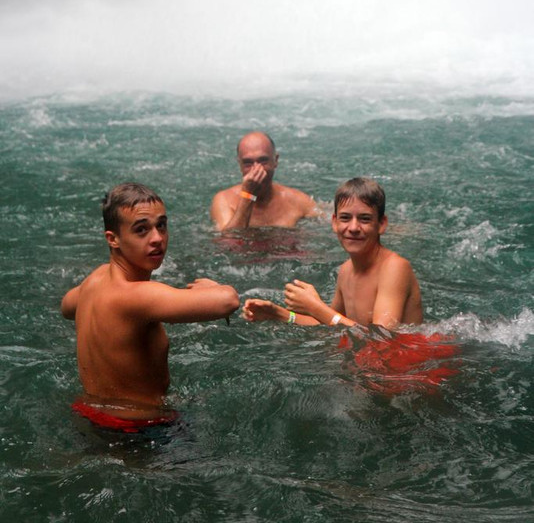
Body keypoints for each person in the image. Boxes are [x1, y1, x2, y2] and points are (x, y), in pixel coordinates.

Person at [61, 182, 240, 430]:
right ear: (113, 239)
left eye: (162, 225)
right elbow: (228, 300)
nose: (157, 238)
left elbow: (66, 307)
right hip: (140, 430)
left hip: (89, 416)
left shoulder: (94, 281)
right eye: (141, 230)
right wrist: (210, 289)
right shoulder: (136, 296)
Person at [243, 177, 422, 329]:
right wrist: (279, 314)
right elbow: (328, 323)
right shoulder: (346, 270)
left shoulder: (394, 268)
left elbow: (381, 343)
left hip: (409, 368)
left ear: (381, 224)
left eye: (365, 219)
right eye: (345, 218)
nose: (353, 228)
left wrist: (314, 306)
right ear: (334, 222)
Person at [210, 131, 320, 231]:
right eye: (248, 163)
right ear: (240, 165)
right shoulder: (224, 200)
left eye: (263, 161)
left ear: (275, 161)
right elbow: (229, 242)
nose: (256, 169)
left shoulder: (299, 202)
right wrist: (248, 195)